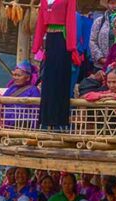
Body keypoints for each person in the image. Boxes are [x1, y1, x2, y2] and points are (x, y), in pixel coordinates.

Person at [32, 0, 77, 129]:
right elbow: (41, 22)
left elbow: (70, 21)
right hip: (50, 40)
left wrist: (71, 45)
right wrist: (36, 45)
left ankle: (60, 121)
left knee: (60, 79)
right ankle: (45, 120)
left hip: (62, 39)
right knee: (48, 79)